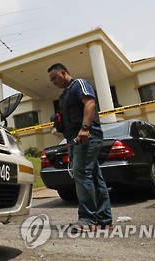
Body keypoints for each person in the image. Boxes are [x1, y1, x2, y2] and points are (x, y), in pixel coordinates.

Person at [47, 63, 112, 232]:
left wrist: (85, 129)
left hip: (86, 137)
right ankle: (104, 219)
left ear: (63, 72)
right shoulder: (65, 95)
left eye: (54, 78)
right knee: (94, 178)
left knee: (81, 174)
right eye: (51, 80)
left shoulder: (79, 84)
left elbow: (89, 103)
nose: (53, 82)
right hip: (75, 139)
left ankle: (88, 219)